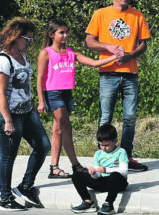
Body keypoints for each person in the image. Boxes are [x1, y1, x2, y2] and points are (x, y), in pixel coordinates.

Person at [37, 21, 116, 179]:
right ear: (52, 34)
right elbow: (39, 78)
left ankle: (54, 167)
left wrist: (115, 56)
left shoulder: (71, 53)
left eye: (66, 32)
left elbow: (94, 63)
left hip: (66, 93)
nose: (65, 35)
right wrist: (41, 101)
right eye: (61, 32)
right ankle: (76, 165)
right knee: (66, 127)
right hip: (53, 93)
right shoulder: (46, 53)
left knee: (58, 130)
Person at [86, 0, 151, 171]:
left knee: (130, 118)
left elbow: (144, 43)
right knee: (106, 116)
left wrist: (132, 54)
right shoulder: (100, 14)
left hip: (130, 73)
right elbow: (89, 41)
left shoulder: (137, 15)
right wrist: (108, 47)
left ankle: (127, 156)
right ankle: (104, 157)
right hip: (108, 73)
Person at [0, 18, 51, 211]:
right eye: (28, 39)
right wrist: (7, 120)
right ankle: (4, 198)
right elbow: (0, 92)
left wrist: (33, 108)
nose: (30, 43)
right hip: (9, 115)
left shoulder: (23, 57)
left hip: (27, 111)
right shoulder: (3, 60)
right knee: (8, 157)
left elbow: (25, 88)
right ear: (16, 37)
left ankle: (25, 187)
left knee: (43, 145)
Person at [70, 124, 129, 215]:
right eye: (101, 145)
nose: (103, 148)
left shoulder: (121, 152)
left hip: (118, 182)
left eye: (106, 145)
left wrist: (107, 170)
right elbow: (97, 174)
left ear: (115, 141)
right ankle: (88, 202)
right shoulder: (98, 154)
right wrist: (93, 173)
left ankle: (109, 204)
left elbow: (124, 171)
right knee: (77, 174)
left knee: (114, 175)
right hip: (103, 181)